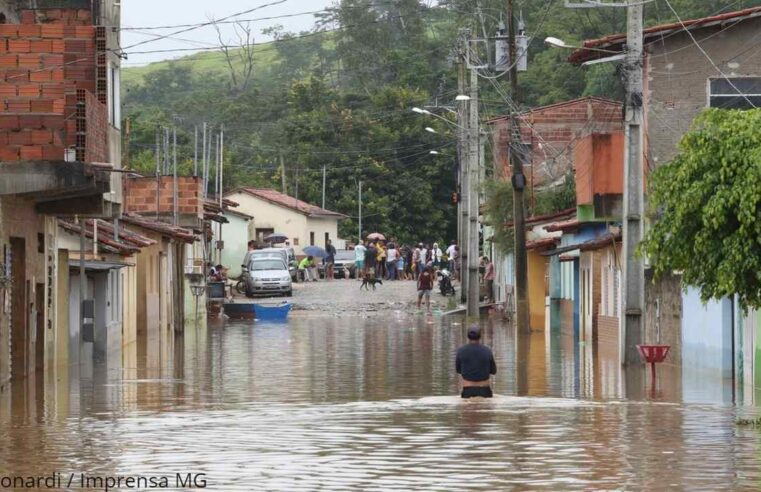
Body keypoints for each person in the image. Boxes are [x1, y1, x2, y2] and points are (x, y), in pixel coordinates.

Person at [456, 326, 497, 398]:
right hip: (485, 390)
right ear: (480, 336)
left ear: (468, 336)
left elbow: (458, 370)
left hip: (467, 390)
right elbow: (493, 371)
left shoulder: (461, 351)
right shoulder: (487, 351)